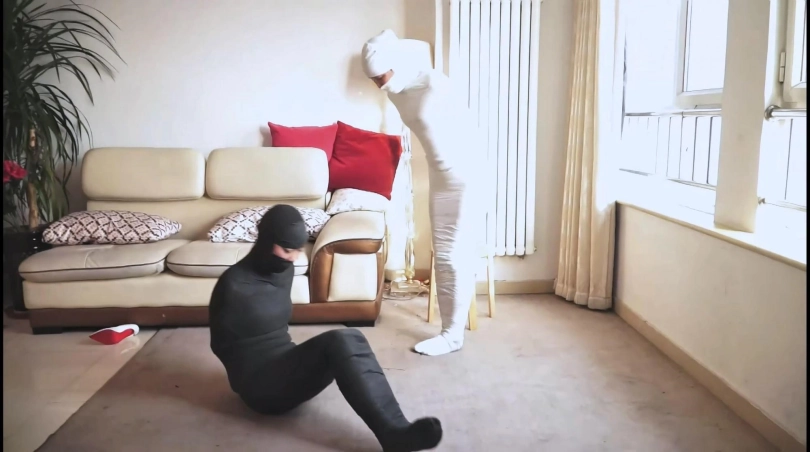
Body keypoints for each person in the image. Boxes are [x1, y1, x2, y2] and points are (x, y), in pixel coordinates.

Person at [208, 205, 442, 452]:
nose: (293, 258)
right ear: (266, 240)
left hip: (283, 361)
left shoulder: (283, 270)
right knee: (341, 341)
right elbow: (219, 346)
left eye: (298, 250)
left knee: (349, 341)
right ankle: (394, 436)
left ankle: (396, 428)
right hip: (258, 387)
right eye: (286, 249)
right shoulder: (232, 285)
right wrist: (247, 383)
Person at [362, 30, 480, 357]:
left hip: (465, 174)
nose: (379, 85)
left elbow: (466, 126)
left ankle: (452, 335)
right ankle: (450, 331)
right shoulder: (396, 91)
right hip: (439, 175)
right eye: (373, 80)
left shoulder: (435, 84)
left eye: (381, 76)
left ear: (394, 64)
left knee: (453, 255)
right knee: (443, 253)